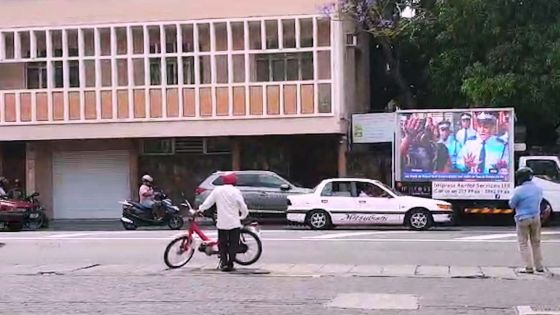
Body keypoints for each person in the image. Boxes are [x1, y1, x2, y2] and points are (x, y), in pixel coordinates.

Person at [198, 172, 249, 272]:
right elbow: (242, 206)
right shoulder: (235, 191)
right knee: (233, 244)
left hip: (222, 222)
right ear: (234, 181)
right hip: (234, 222)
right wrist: (243, 215)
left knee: (222, 244)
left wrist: (200, 209)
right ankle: (230, 264)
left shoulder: (217, 190)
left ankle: (224, 263)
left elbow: (208, 202)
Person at [509, 167, 544, 274]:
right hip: (536, 217)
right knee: (536, 242)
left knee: (523, 243)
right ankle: (539, 266)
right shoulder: (538, 189)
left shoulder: (518, 190)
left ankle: (528, 267)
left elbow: (511, 204)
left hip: (523, 218)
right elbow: (540, 200)